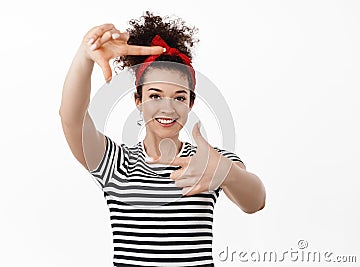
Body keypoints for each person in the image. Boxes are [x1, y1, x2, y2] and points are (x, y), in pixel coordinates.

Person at [59, 11, 266, 267]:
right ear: (139, 101)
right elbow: (71, 119)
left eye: (179, 97)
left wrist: (227, 174)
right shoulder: (116, 162)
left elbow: (256, 202)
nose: (167, 108)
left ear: (190, 104)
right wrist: (84, 56)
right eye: (155, 96)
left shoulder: (208, 161)